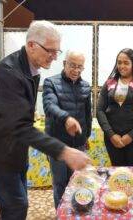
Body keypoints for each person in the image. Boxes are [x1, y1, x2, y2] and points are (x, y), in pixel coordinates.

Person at [0, 21, 90, 220]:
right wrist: (64, 151)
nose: (54, 56)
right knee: (16, 207)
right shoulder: (8, 74)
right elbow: (20, 127)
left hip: (13, 148)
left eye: (56, 51)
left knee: (17, 203)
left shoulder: (29, 69)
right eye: (50, 50)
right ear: (32, 45)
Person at [42, 50, 92, 209]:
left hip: (78, 144)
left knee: (78, 182)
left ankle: (76, 213)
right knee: (60, 183)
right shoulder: (51, 82)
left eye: (80, 67)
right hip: (57, 144)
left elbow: (87, 115)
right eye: (72, 65)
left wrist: (86, 137)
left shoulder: (85, 86)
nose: (76, 70)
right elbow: (49, 106)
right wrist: (66, 118)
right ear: (64, 64)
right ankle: (61, 214)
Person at [97, 48, 133, 167]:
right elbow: (99, 111)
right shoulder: (109, 83)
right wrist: (111, 135)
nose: (122, 66)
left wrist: (130, 136)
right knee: (117, 175)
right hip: (113, 140)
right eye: (119, 62)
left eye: (126, 63)